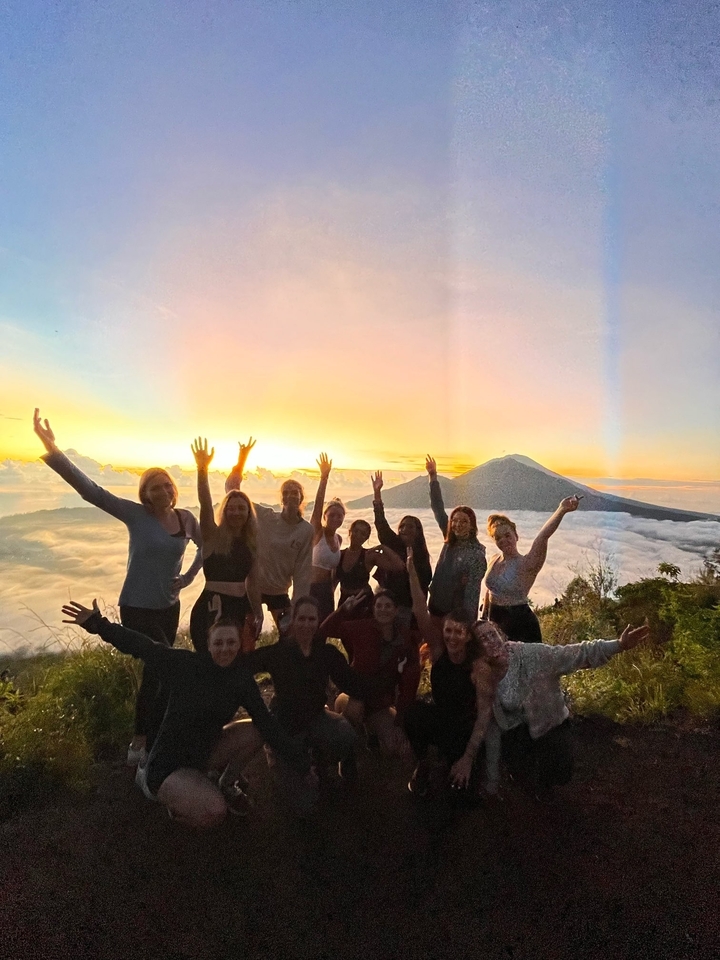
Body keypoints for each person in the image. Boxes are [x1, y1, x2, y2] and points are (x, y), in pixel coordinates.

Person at [33, 409, 202, 767]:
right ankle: (141, 739)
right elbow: (92, 491)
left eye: (167, 484)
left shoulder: (186, 518)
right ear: (145, 493)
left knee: (161, 670)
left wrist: (188, 578)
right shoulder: (135, 515)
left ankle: (157, 733)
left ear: (174, 488)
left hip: (168, 606)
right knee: (158, 666)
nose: (163, 490)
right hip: (137, 606)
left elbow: (208, 547)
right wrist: (53, 450)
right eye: (155, 486)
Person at [61, 601, 314, 828]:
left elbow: (266, 723)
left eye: (231, 643)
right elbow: (142, 646)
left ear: (239, 645)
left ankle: (225, 783)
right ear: (208, 643)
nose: (224, 649)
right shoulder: (184, 665)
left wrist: (300, 761)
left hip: (204, 752)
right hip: (168, 764)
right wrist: (98, 624)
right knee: (214, 813)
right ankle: (155, 785)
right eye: (218, 642)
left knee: (255, 730)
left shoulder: (241, 679)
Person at [475, 618, 650, 795]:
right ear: (476, 649)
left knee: (560, 775)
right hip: (518, 736)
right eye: (483, 638)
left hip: (552, 727)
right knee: (527, 786)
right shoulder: (484, 676)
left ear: (501, 635)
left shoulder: (531, 655)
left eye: (492, 634)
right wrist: (492, 781)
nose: (490, 641)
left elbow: (576, 653)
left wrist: (619, 645)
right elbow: (493, 727)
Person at [242, 596, 379, 815]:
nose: (306, 624)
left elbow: (352, 682)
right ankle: (278, 753)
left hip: (317, 717)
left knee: (345, 735)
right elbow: (243, 666)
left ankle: (320, 757)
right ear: (293, 621)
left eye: (311, 619)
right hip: (285, 727)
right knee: (305, 805)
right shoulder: (278, 653)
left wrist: (387, 684)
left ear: (317, 622)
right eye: (302, 619)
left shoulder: (326, 654)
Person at [404, 548, 502, 797]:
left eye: (459, 632)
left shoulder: (478, 666)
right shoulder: (438, 651)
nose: (452, 636)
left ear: (468, 636)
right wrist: (412, 573)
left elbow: (483, 715)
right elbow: (420, 612)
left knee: (460, 796)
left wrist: (467, 759)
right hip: (440, 717)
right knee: (413, 713)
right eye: (448, 630)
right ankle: (424, 762)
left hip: (464, 730)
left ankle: (455, 762)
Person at [319, 590, 422, 758]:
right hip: (353, 697)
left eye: (388, 606)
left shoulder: (404, 639)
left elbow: (408, 685)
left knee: (395, 748)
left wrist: (399, 721)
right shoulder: (361, 627)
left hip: (379, 704)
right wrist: (342, 611)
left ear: (396, 610)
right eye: (379, 606)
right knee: (356, 709)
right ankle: (346, 744)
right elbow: (324, 631)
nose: (383, 610)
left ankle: (370, 731)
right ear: (373, 609)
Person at [225, 439, 314, 629]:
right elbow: (232, 490)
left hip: (279, 591)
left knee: (289, 634)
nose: (290, 495)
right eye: (286, 492)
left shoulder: (305, 530)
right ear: (281, 498)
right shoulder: (265, 517)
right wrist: (242, 459)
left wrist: (298, 607)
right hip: (252, 588)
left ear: (301, 497)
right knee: (246, 635)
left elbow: (303, 573)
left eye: (295, 492)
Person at [189, 437, 261, 654]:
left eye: (242, 508)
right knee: (210, 659)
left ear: (249, 513)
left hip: (241, 607)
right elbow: (204, 504)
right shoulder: (212, 536)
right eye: (232, 508)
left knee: (241, 658)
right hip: (213, 607)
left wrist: (258, 611)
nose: (237, 512)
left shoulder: (251, 542)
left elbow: (254, 583)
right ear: (225, 510)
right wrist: (202, 469)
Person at [481, 497, 581, 643]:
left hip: (520, 626)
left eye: (507, 535)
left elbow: (543, 536)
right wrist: (484, 619)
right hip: (495, 623)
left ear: (516, 535)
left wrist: (562, 509)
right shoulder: (494, 559)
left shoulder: (527, 564)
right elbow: (490, 591)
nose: (503, 540)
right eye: (498, 538)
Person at [424, 455, 487, 621]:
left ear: (472, 526)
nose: (458, 525)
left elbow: (473, 593)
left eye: (464, 521)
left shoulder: (476, 554)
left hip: (454, 614)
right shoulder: (449, 536)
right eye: (455, 520)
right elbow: (438, 508)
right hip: (435, 605)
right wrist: (433, 477)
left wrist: (468, 623)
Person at [370, 470, 433, 617]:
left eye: (410, 526)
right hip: (386, 605)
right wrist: (377, 493)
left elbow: (423, 584)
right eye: (402, 526)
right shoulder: (395, 544)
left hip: (407, 608)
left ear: (418, 531)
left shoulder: (421, 556)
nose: (404, 529)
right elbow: (381, 522)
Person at [336, 518, 406, 610]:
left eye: (362, 533)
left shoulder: (368, 555)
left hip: (364, 602)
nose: (358, 535)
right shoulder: (340, 554)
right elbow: (333, 582)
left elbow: (400, 566)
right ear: (350, 532)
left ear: (366, 538)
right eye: (356, 531)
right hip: (344, 601)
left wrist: (383, 548)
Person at [308, 452, 344, 623]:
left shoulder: (339, 539)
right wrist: (324, 478)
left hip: (326, 592)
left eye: (340, 515)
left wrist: (332, 589)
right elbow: (316, 508)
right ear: (325, 516)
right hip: (309, 589)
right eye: (332, 515)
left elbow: (334, 573)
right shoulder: (317, 532)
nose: (336, 518)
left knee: (323, 630)